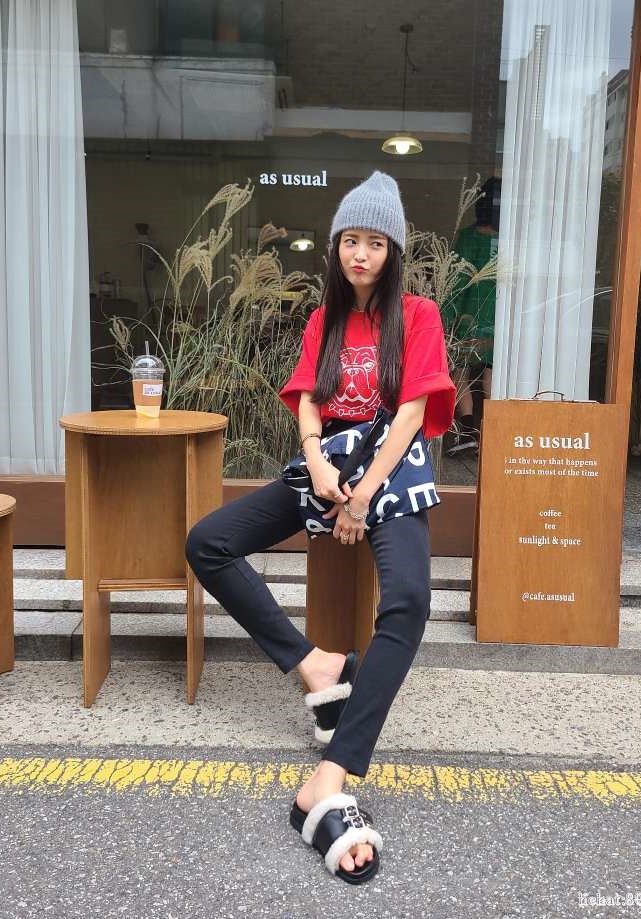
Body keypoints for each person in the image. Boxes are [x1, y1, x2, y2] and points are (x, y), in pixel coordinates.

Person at [185, 171, 456, 884]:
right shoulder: (323, 320)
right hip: (329, 463)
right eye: (350, 240)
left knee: (409, 600)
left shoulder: (418, 314)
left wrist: (362, 496)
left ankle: (331, 776)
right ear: (336, 247)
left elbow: (410, 412)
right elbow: (307, 397)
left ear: (393, 252)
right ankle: (318, 667)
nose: (360, 254)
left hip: (390, 468)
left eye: (375, 243)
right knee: (208, 542)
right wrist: (316, 461)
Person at [440, 176, 500, 454]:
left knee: (461, 371)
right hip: (499, 315)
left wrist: (447, 316)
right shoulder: (509, 239)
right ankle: (496, 436)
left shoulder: (467, 238)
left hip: (470, 314)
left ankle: (467, 432)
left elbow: (455, 281)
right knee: (492, 375)